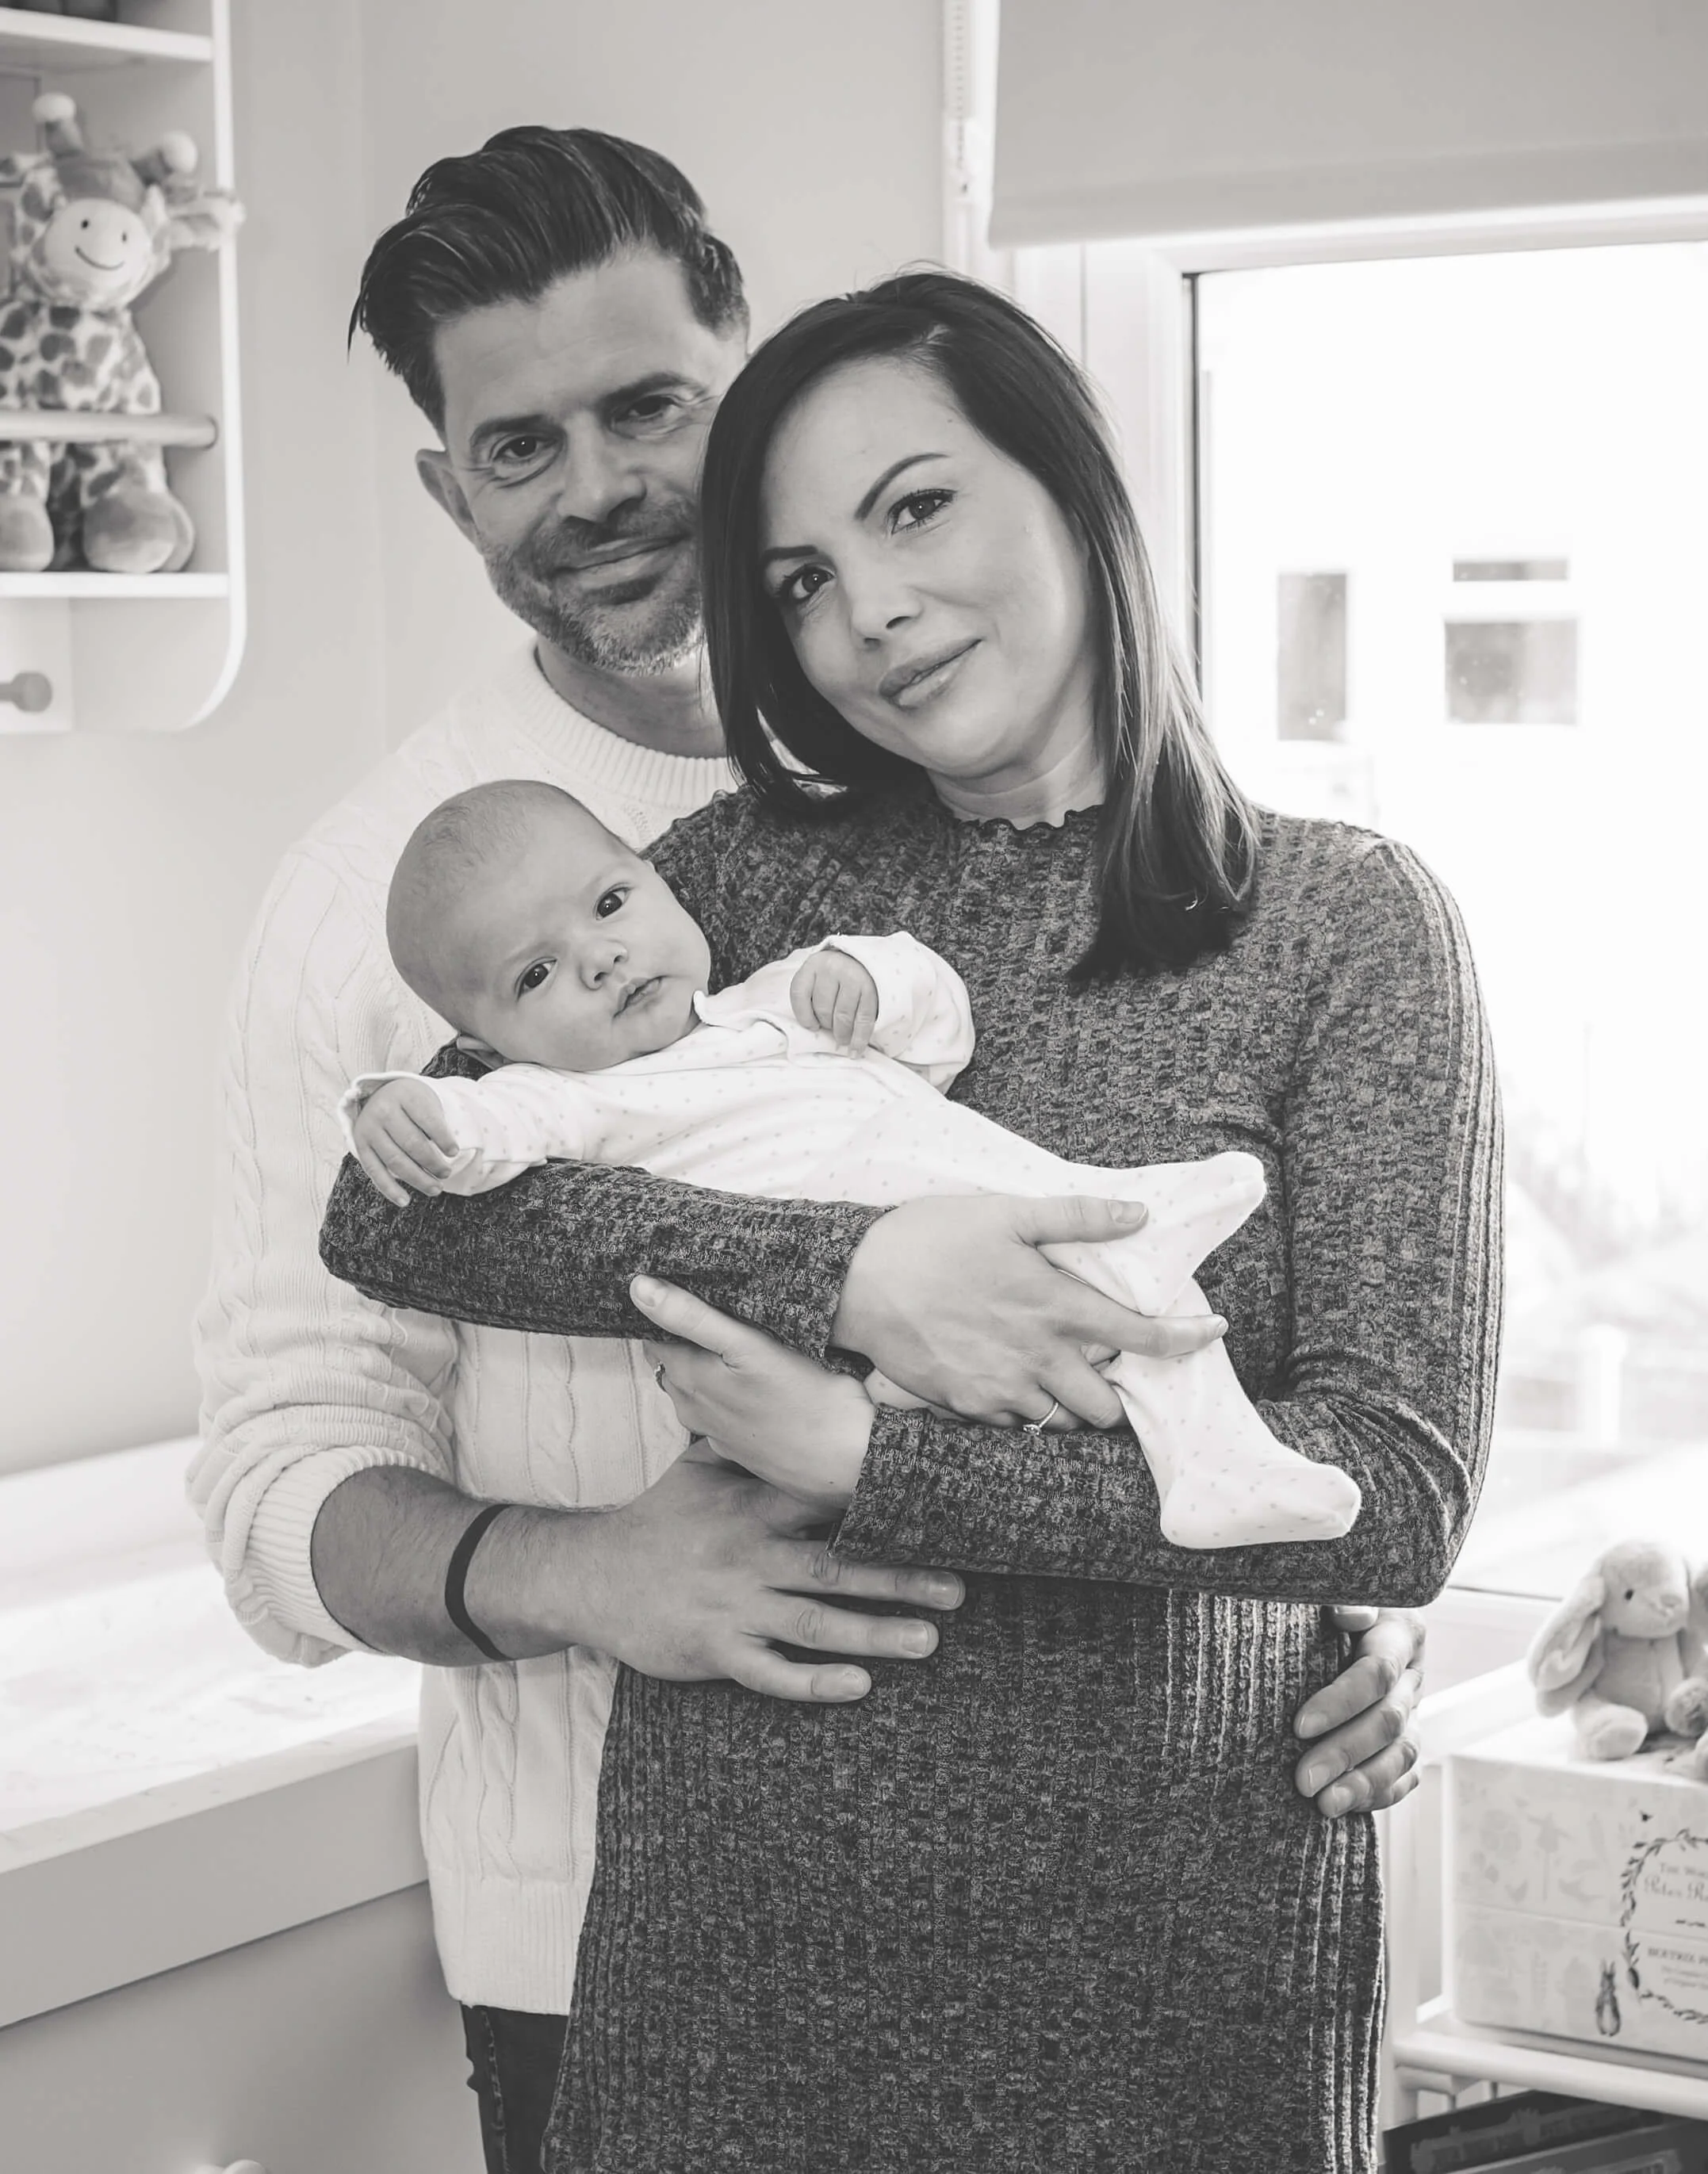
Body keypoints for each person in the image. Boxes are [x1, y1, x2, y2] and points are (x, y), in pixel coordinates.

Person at [191, 123, 1430, 2174]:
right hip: (618, 1900)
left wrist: (1299, 1591)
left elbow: (1276, 1358)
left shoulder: (912, 828)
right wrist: (598, 1562)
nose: (593, 486)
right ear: (449, 487)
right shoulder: (380, 894)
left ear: (745, 379)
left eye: (649, 406)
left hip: (1126, 1917)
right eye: (518, 446)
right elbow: (291, 1426)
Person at [344, 775, 1361, 1549]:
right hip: (870, 1337)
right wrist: (403, 1108)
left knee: (1128, 1288)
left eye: (610, 905)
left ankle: (1214, 1439)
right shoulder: (575, 1100)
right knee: (1116, 1307)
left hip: (983, 1187)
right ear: (489, 1045)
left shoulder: (773, 998)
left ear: (659, 881)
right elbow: (473, 1139)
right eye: (535, 974)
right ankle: (1202, 1441)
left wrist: (870, 976)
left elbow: (939, 1034)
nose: (599, 959)